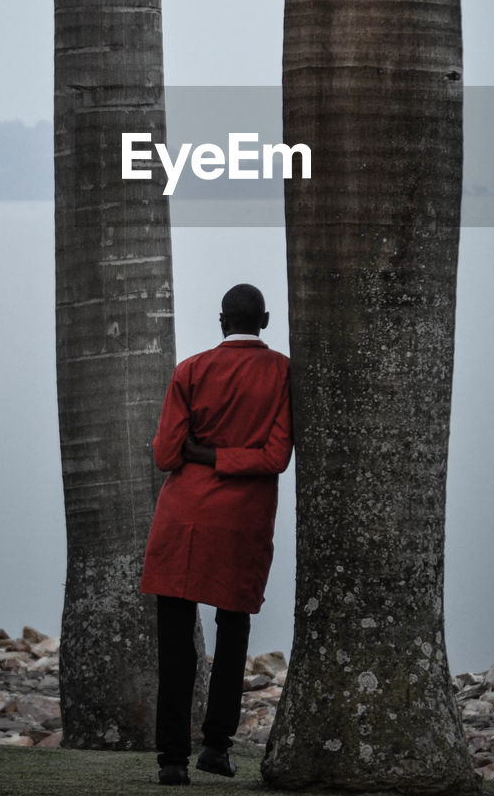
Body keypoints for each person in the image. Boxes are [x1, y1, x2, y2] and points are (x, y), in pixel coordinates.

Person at [140, 283, 292, 786]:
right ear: (265, 320)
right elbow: (274, 459)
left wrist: (201, 453)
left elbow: (165, 456)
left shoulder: (191, 370)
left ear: (222, 321)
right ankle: (216, 747)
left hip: (183, 519)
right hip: (242, 522)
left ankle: (170, 760)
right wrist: (229, 458)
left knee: (176, 644)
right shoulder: (283, 373)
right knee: (233, 635)